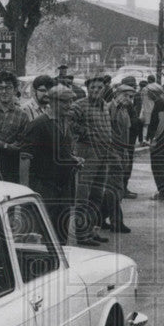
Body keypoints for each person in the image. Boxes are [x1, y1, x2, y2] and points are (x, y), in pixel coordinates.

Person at [20, 85, 79, 242]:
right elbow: (25, 158)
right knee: (44, 234)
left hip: (63, 188)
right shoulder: (38, 125)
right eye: (65, 101)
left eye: (71, 101)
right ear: (52, 102)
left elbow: (61, 150)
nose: (69, 105)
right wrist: (25, 191)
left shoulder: (65, 123)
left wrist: (73, 158)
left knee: (61, 235)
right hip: (45, 188)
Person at [68, 76, 113, 245]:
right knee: (83, 195)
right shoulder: (80, 105)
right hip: (87, 152)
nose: (96, 90)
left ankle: (92, 230)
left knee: (97, 194)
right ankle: (81, 234)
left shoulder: (105, 106)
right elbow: (68, 121)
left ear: (105, 89)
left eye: (99, 87)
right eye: (92, 87)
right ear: (87, 88)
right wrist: (86, 133)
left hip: (103, 153)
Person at [0, 70, 30, 183]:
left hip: (11, 166)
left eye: (8, 88)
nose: (4, 91)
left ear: (15, 90)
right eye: (0, 88)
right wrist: (7, 146)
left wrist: (2, 145)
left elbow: (21, 143)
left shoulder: (22, 116)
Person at [102, 83, 135, 233]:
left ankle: (99, 218)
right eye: (126, 95)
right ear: (117, 94)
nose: (129, 99)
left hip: (122, 152)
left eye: (131, 96)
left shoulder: (124, 110)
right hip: (112, 153)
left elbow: (125, 133)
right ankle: (117, 222)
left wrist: (127, 152)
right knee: (115, 188)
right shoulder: (109, 109)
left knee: (115, 188)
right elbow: (107, 133)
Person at [144, 83, 164, 200]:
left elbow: (162, 121)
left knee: (158, 166)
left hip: (161, 138)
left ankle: (163, 192)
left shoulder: (160, 103)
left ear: (153, 93)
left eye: (147, 93)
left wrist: (156, 138)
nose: (146, 95)